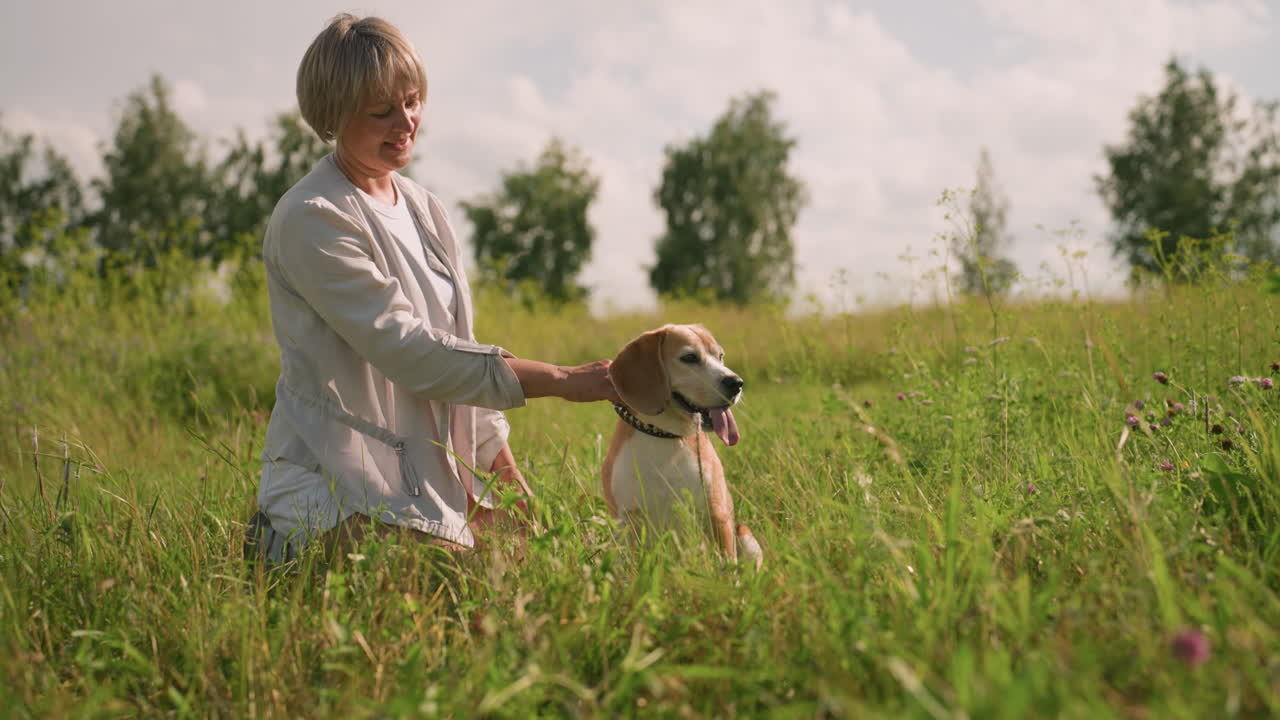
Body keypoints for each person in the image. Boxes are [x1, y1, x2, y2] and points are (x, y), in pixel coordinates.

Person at [245, 13, 618, 564]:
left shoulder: (426, 210)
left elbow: (455, 344)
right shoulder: (313, 216)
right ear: (332, 115)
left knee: (532, 566)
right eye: (382, 111)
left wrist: (502, 471)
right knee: (447, 584)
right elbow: (413, 353)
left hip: (425, 478)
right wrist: (563, 380)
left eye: (413, 101)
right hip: (333, 482)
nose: (407, 121)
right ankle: (278, 545)